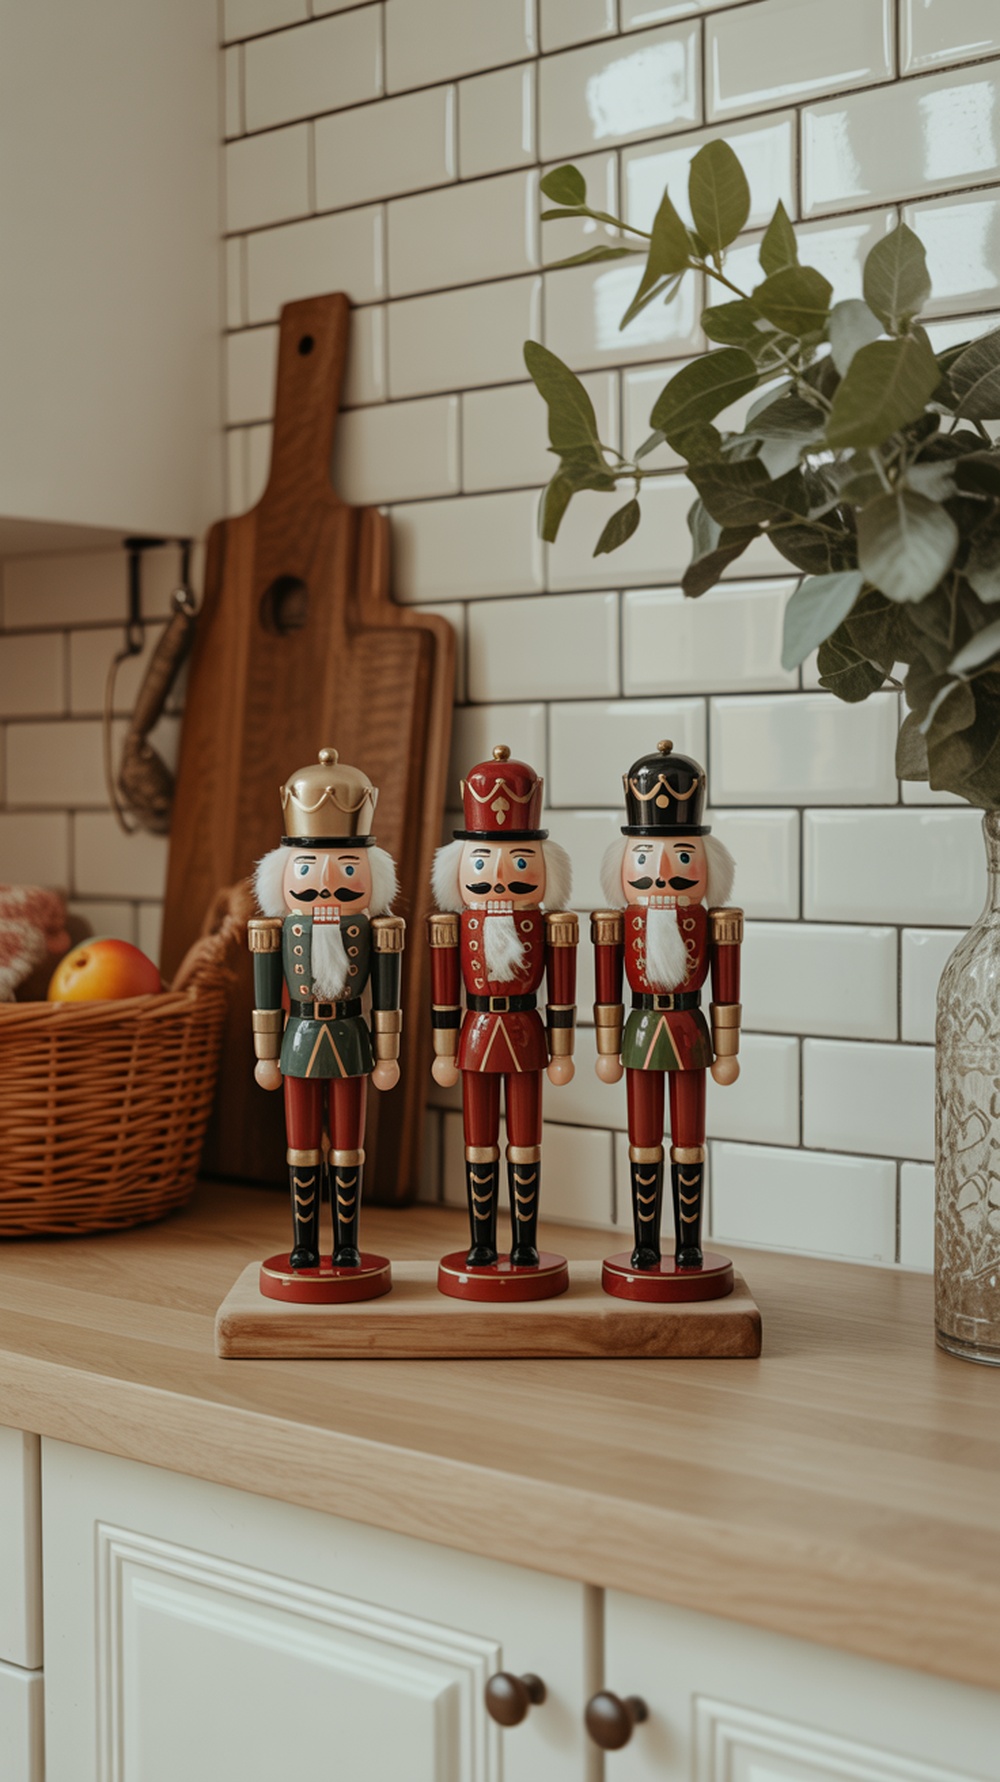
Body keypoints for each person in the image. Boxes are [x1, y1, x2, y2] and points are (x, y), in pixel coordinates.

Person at [248, 748, 403, 1274]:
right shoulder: (278, 931)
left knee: (348, 1150)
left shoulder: (376, 931)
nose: (325, 882)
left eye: (346, 866)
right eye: (309, 866)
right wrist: (265, 1055)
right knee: (300, 1149)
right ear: (284, 872)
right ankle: (304, 1244)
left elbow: (387, 998)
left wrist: (388, 1055)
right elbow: (267, 998)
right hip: (296, 1039)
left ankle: (347, 1244)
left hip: (353, 1039)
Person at [592, 741, 742, 1274]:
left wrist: (727, 1051)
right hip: (639, 1028)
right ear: (623, 863)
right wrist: (606, 1048)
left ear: (706, 863)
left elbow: (727, 989)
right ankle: (646, 1244)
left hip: (690, 1029)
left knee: (689, 1143)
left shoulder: (713, 920)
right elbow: (606, 990)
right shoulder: (617, 921)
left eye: (681, 857)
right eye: (644, 857)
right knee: (642, 1142)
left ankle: (691, 1244)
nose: (662, 873)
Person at [428, 745, 577, 1274]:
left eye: (518, 861)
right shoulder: (454, 925)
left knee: (526, 1143)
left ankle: (526, 1243)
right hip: (474, 1031)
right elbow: (444, 996)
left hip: (526, 1031)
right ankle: (482, 1242)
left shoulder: (547, 925)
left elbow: (561, 994)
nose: (500, 877)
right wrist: (443, 1050)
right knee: (478, 1143)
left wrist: (563, 1051)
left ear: (542, 866)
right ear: (459, 868)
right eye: (483, 862)